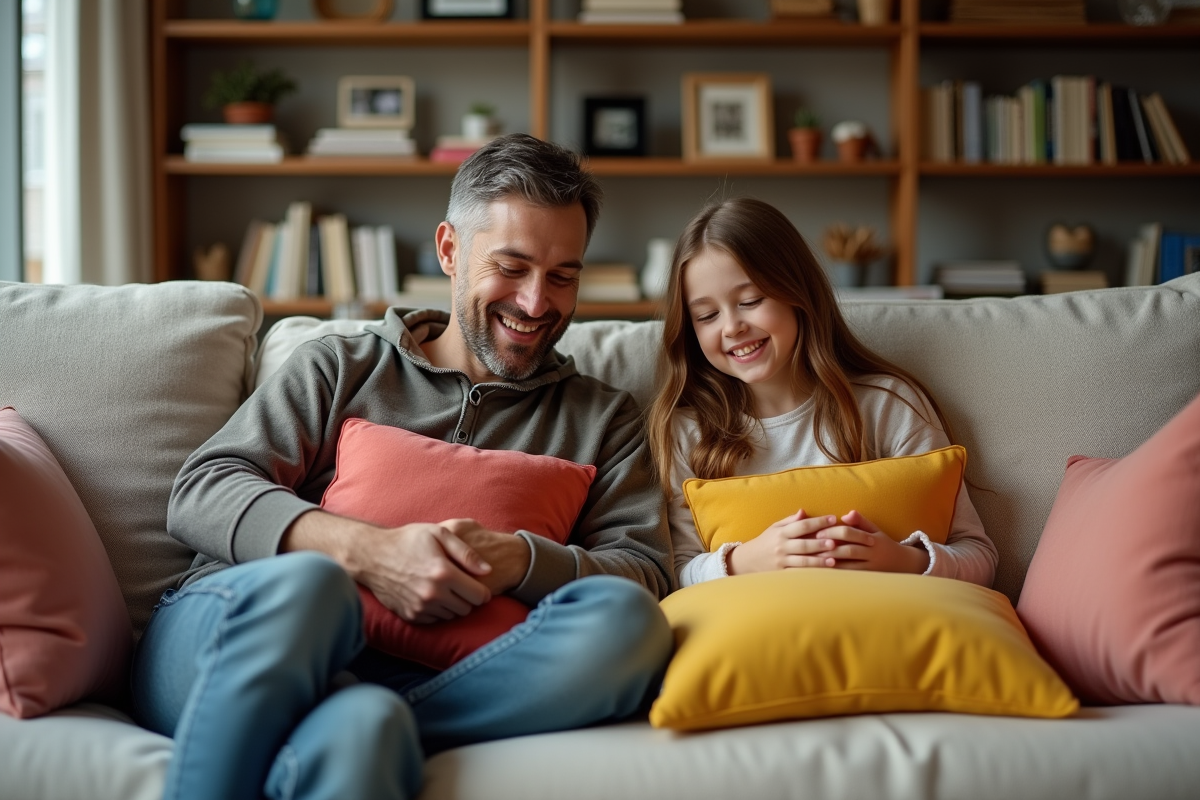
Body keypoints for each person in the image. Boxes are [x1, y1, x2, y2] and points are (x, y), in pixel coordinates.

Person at [131, 133, 674, 800]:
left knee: (626, 626)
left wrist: (516, 560)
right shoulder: (342, 365)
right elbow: (202, 489)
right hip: (234, 638)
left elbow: (644, 571)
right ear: (450, 250)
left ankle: (368, 718)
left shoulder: (602, 419)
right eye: (511, 267)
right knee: (311, 588)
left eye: (563, 275)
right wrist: (367, 552)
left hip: (423, 684)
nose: (537, 304)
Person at [645, 197, 997, 587]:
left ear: (798, 293)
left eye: (750, 301)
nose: (731, 327)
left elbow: (978, 556)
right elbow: (673, 574)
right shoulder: (686, 429)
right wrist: (744, 561)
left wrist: (901, 559)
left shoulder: (885, 405)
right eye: (707, 316)